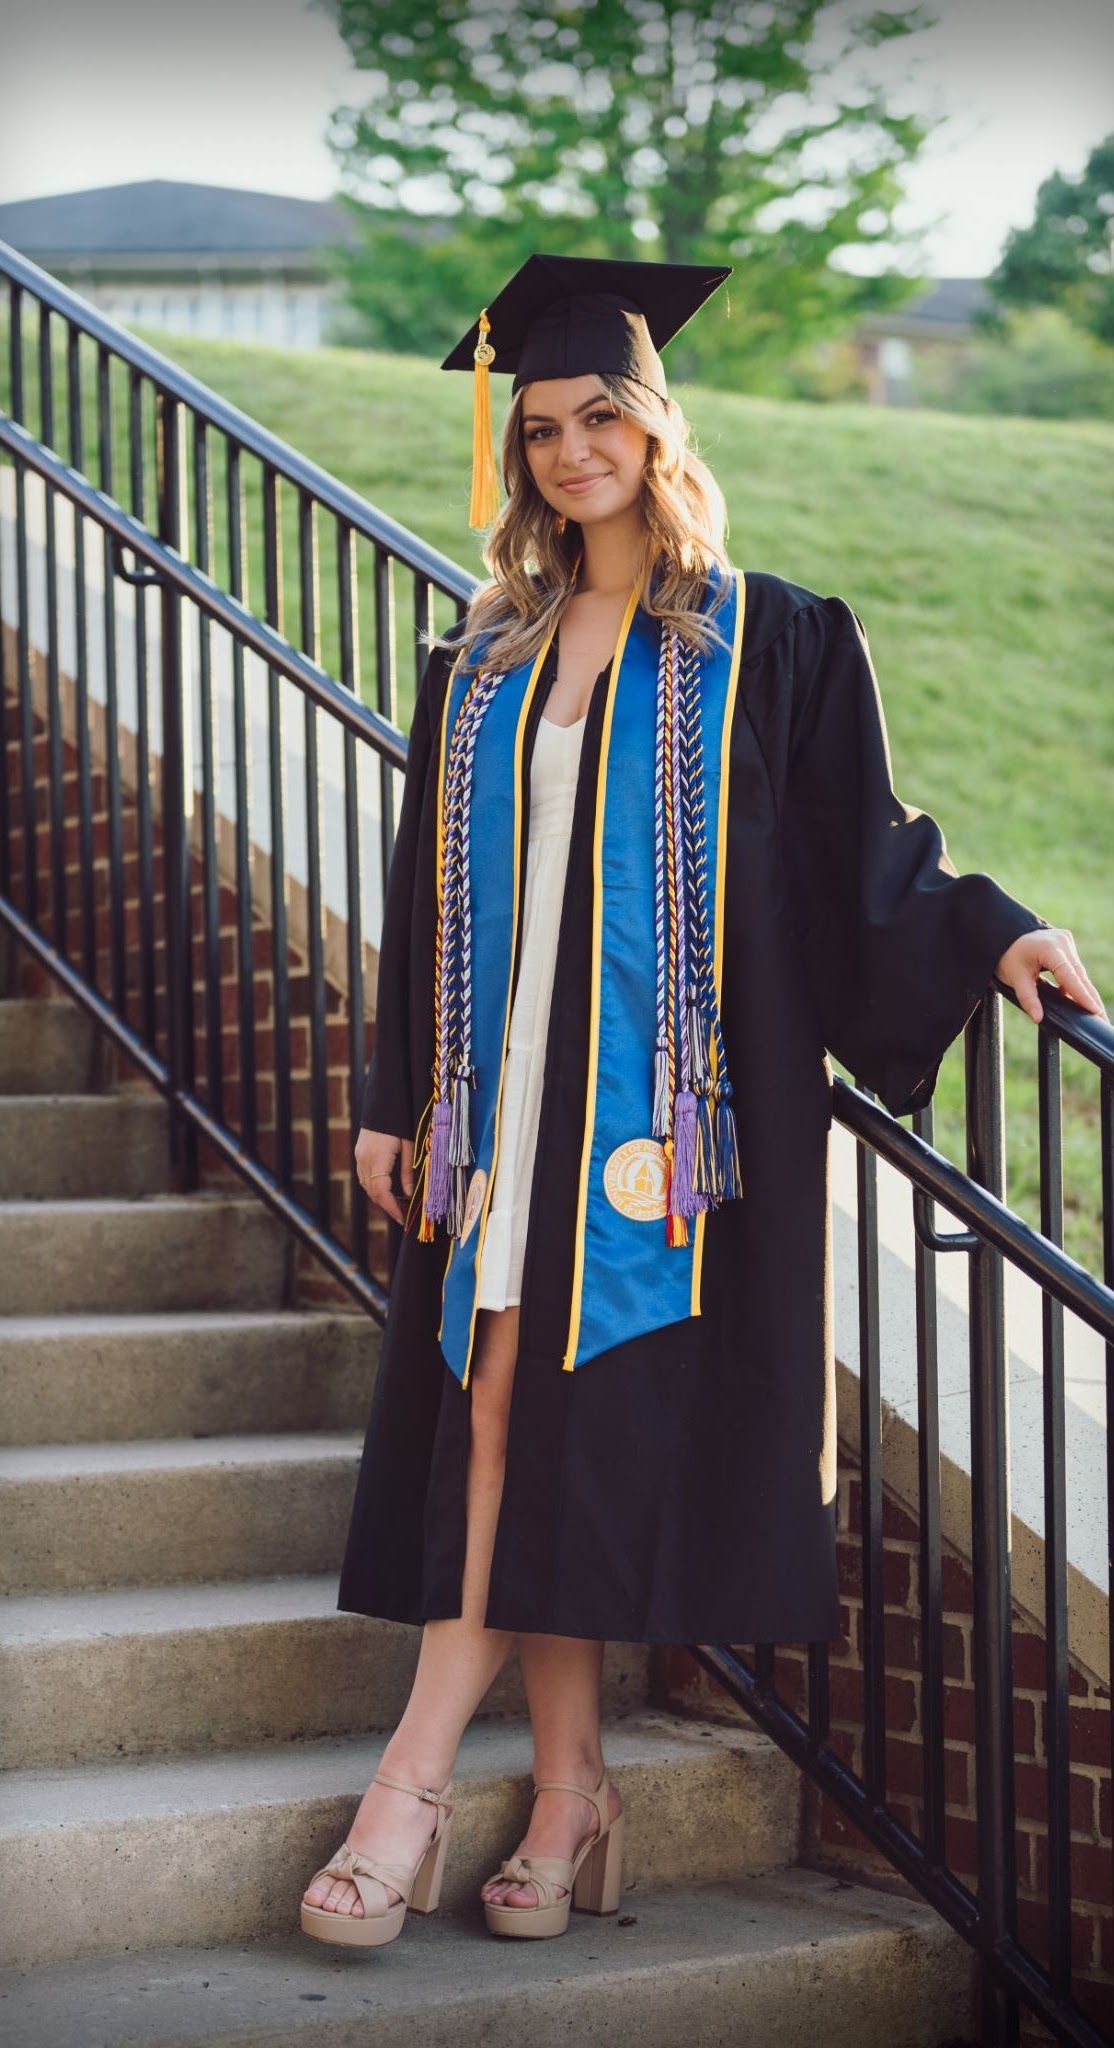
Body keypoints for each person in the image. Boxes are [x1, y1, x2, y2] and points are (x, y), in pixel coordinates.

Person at [300, 253, 1106, 1949]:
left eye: (601, 414)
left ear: (656, 426)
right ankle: (573, 1790)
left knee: (537, 1426)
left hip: (656, 1134)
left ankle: (417, 1781)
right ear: (515, 454)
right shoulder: (483, 653)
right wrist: (392, 1093)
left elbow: (860, 848)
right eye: (539, 428)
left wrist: (995, 929)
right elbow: (418, 895)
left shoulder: (773, 639)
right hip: (494, 1102)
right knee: (515, 1423)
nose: (569, 450)